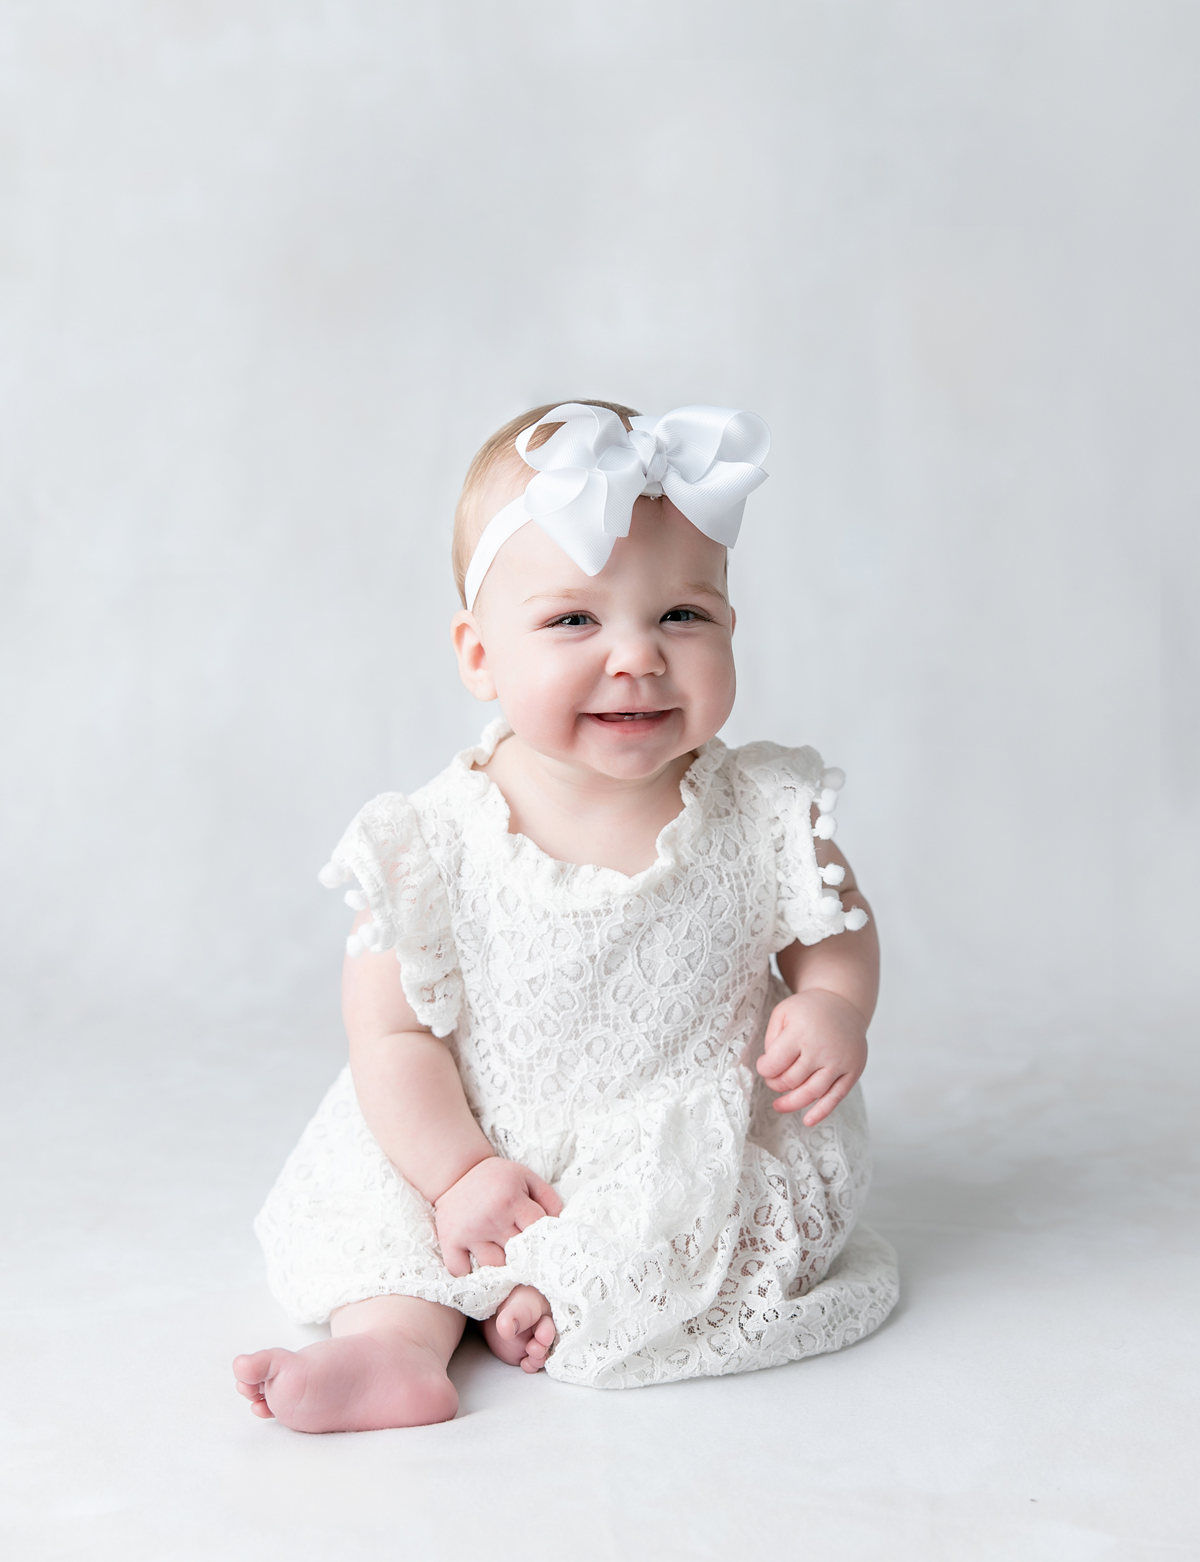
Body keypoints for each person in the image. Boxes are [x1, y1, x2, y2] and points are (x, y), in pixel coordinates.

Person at [233, 399, 899, 1432]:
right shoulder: (434, 840)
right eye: (573, 621)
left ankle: (570, 1292)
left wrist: (836, 1006)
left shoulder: (763, 811)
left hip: (677, 1128)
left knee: (693, 1218)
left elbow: (835, 928)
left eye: (684, 615)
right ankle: (393, 1349)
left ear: (731, 624)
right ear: (479, 655)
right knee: (390, 1209)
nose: (635, 657)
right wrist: (458, 1172)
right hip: (470, 1127)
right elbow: (391, 1029)